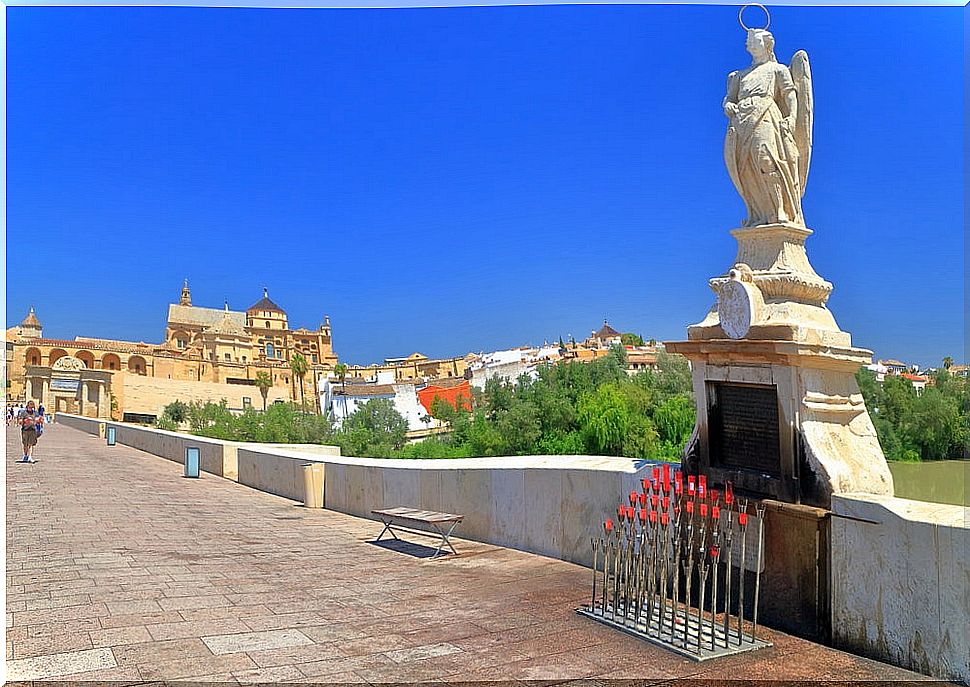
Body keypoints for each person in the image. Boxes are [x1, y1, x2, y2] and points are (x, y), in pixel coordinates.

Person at [723, 28, 812, 228]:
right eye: (748, 41)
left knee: (767, 161)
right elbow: (729, 98)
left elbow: (790, 95)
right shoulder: (739, 75)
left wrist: (791, 116)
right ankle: (758, 213)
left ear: (767, 44)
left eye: (754, 40)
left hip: (766, 115)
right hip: (742, 121)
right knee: (745, 168)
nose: (749, 44)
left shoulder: (777, 69)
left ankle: (779, 209)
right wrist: (728, 106)